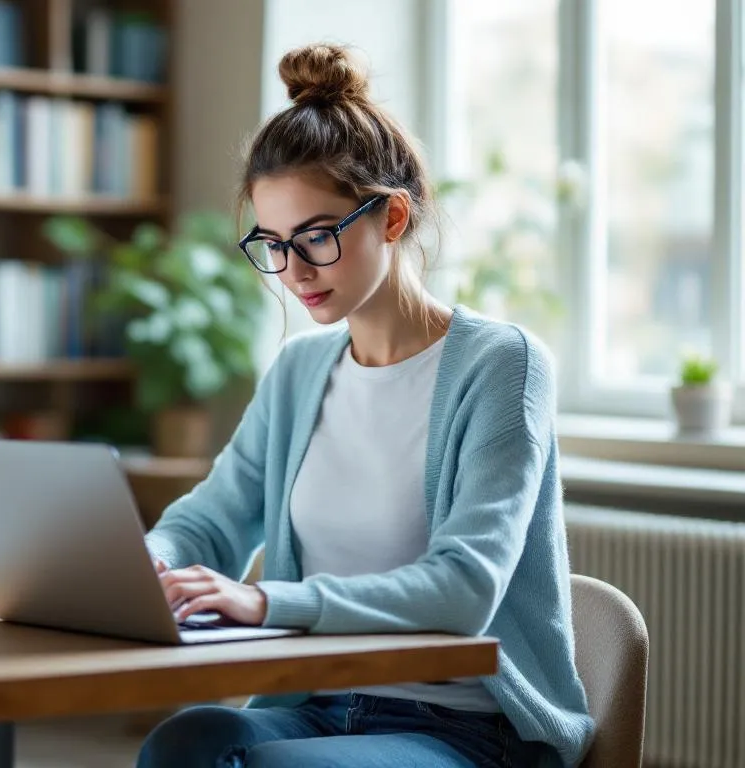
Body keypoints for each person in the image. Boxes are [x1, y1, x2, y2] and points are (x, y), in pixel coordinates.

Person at [135, 43, 594, 768]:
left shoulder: (502, 365)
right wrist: (149, 567)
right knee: (183, 744)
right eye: (273, 244)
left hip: (466, 727)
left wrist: (267, 603)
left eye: (316, 237)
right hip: (317, 704)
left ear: (392, 218)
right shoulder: (297, 372)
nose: (293, 272)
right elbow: (214, 517)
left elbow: (462, 589)